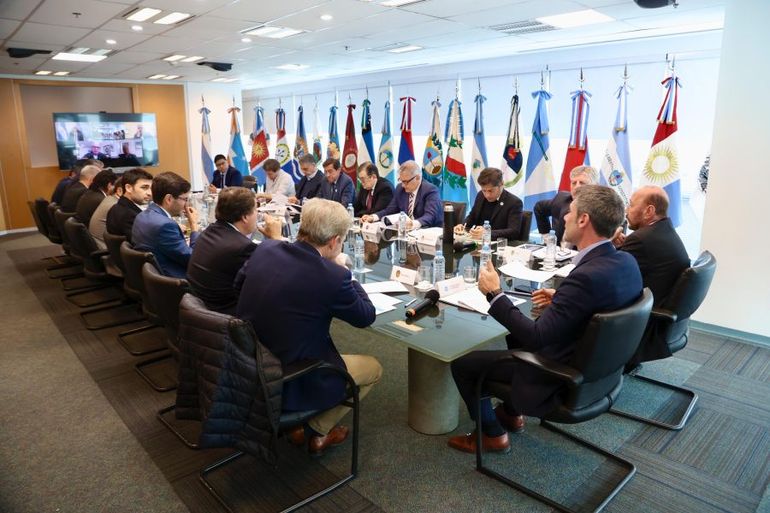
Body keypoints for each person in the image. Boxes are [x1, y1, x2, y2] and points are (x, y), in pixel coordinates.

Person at [448, 185, 642, 454]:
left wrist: (494, 293)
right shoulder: (626, 262)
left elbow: (536, 337)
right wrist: (564, 297)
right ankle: (511, 412)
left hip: (561, 376)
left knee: (463, 365)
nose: (564, 217)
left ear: (584, 219)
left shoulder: (586, 277)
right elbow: (600, 303)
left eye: (570, 212)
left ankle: (492, 434)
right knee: (512, 334)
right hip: (601, 372)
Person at [235, 198, 382, 456]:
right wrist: (344, 272)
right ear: (334, 241)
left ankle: (306, 427)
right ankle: (316, 431)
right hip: (291, 374)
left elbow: (238, 285)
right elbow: (366, 316)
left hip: (247, 360)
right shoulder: (332, 276)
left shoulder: (265, 249)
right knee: (373, 368)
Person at [612, 185, 690, 367]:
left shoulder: (640, 239)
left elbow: (607, 275)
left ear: (649, 211)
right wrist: (620, 248)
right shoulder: (665, 231)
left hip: (646, 325)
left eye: (630, 205)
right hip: (668, 323)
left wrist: (607, 243)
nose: (626, 211)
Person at [187, 188, 281, 315]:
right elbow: (276, 277)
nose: (258, 214)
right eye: (255, 210)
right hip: (225, 316)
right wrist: (276, 239)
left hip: (199, 310)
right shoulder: (242, 248)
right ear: (245, 217)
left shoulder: (209, 231)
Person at [132, 172, 200, 278]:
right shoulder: (165, 225)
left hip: (151, 279)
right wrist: (194, 225)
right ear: (169, 199)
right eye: (185, 199)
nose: (186, 204)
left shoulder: (142, 215)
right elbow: (194, 259)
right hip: (175, 281)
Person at [361, 160, 443, 229]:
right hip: (407, 235)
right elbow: (389, 210)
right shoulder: (400, 189)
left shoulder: (430, 190)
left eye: (406, 181)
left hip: (429, 235)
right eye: (401, 180)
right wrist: (373, 217)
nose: (403, 185)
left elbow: (430, 216)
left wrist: (412, 224)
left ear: (417, 178)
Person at [534, 165, 597, 245]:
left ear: (594, 186)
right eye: (574, 183)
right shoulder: (562, 200)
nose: (577, 187)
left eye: (582, 183)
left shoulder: (601, 210)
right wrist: (547, 238)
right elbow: (539, 208)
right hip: (556, 252)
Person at [456, 167, 523, 241]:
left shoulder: (514, 202)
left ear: (501, 185)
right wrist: (462, 226)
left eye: (491, 191)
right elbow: (472, 216)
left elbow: (513, 232)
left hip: (499, 246)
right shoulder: (480, 195)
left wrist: (487, 233)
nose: (487, 195)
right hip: (477, 243)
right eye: (484, 190)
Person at [106, 168, 154, 242]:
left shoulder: (117, 207)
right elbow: (145, 243)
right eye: (144, 188)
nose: (149, 193)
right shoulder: (129, 215)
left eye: (151, 188)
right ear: (128, 188)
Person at [89, 176, 123, 248]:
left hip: (98, 244)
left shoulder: (109, 198)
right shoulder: (115, 206)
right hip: (105, 248)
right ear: (120, 191)